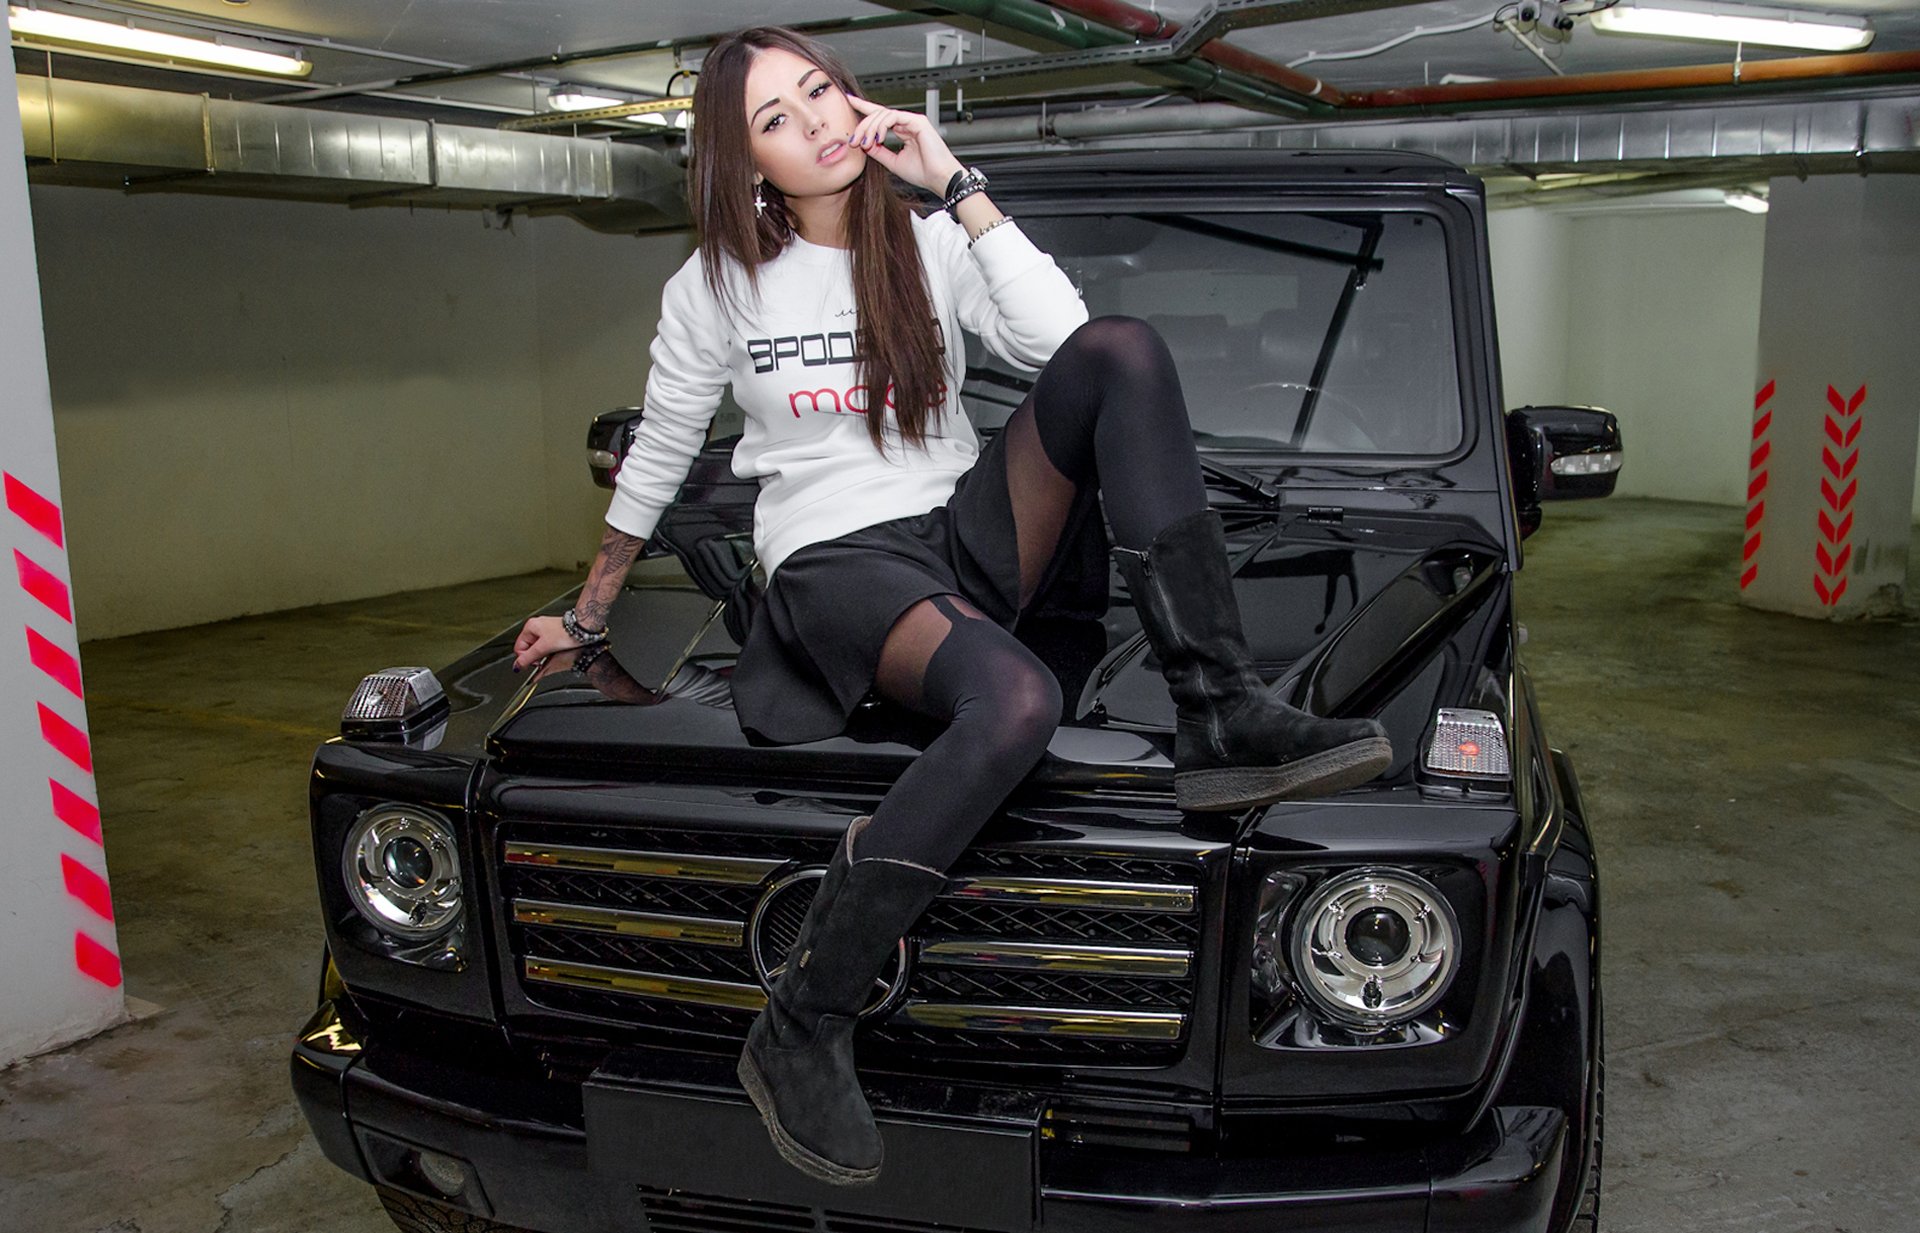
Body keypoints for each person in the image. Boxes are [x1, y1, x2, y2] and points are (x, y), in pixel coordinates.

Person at [511, 25, 1392, 1188]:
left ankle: (1220, 711)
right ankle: (803, 1019)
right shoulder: (716, 284)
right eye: (776, 119)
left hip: (959, 529)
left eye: (819, 91)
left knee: (1122, 349)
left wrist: (958, 186)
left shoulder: (927, 241)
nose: (815, 123)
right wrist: (589, 613)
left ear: (856, 100)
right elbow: (665, 444)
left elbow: (1064, 346)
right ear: (746, 162)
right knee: (1015, 702)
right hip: (834, 557)